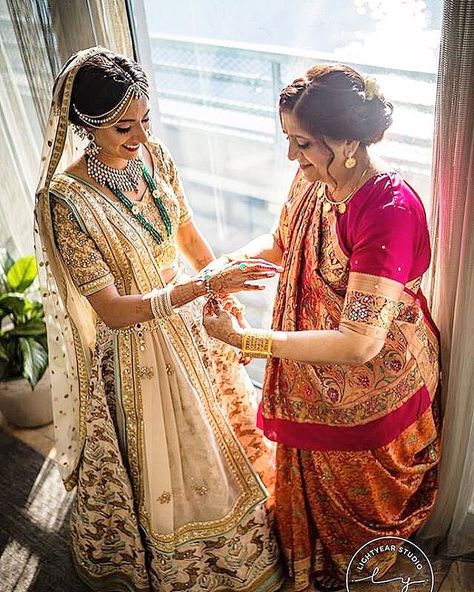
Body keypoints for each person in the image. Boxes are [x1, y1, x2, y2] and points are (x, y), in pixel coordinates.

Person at [34, 46, 284, 592]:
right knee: (179, 470)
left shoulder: (153, 157)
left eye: (146, 120)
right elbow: (113, 312)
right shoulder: (66, 202)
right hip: (139, 356)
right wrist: (203, 286)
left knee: (227, 448)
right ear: (85, 124)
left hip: (194, 328)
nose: (141, 138)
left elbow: (188, 236)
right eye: (124, 127)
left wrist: (218, 284)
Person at [203, 64, 441, 592]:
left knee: (362, 535)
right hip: (307, 376)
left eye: (304, 143)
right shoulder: (316, 178)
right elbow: (281, 242)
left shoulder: (388, 208)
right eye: (289, 139)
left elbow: (360, 344)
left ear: (347, 141)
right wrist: (220, 271)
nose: (292, 156)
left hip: (373, 388)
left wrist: (247, 342)